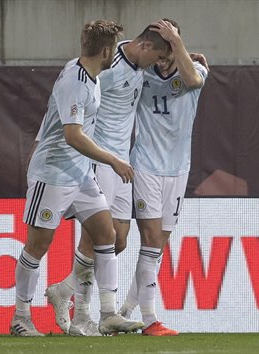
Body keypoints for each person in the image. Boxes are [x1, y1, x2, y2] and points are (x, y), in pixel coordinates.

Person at [44, 20, 177, 336]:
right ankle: (83, 316)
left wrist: (186, 53)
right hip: (101, 161)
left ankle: (64, 290)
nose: (157, 65)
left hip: (122, 162)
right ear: (145, 47)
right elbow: (78, 95)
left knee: (117, 240)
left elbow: (169, 62)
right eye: (156, 57)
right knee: (93, 239)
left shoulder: (137, 57)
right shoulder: (107, 68)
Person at [12, 19, 145, 336]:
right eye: (114, 47)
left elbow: (51, 114)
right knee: (37, 245)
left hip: (81, 173)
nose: (116, 53)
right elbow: (72, 135)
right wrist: (113, 159)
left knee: (106, 233)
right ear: (106, 50)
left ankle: (109, 314)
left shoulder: (88, 73)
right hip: (55, 173)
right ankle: (21, 317)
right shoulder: (76, 81)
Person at [116, 19, 207, 336]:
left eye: (169, 53)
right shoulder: (140, 75)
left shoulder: (195, 72)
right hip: (145, 167)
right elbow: (126, 51)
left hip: (178, 169)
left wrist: (179, 44)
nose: (162, 61)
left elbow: (193, 81)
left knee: (158, 246)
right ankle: (150, 319)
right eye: (161, 53)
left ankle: (126, 310)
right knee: (151, 242)